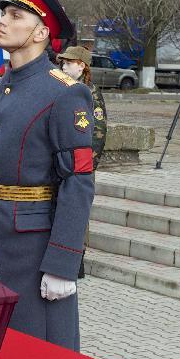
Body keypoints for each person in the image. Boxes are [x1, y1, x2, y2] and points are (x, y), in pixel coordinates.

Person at [0, 0, 94, 351]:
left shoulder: (65, 94)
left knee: (40, 353)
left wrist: (63, 263)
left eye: (16, 16)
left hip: (34, 250)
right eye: (3, 14)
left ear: (40, 33)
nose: (3, 20)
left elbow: (78, 181)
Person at [57, 45, 107, 280]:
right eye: (62, 62)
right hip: (62, 163)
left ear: (81, 66)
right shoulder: (62, 88)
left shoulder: (90, 93)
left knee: (78, 212)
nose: (63, 66)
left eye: (68, 62)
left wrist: (86, 168)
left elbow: (98, 133)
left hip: (82, 165)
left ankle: (77, 260)